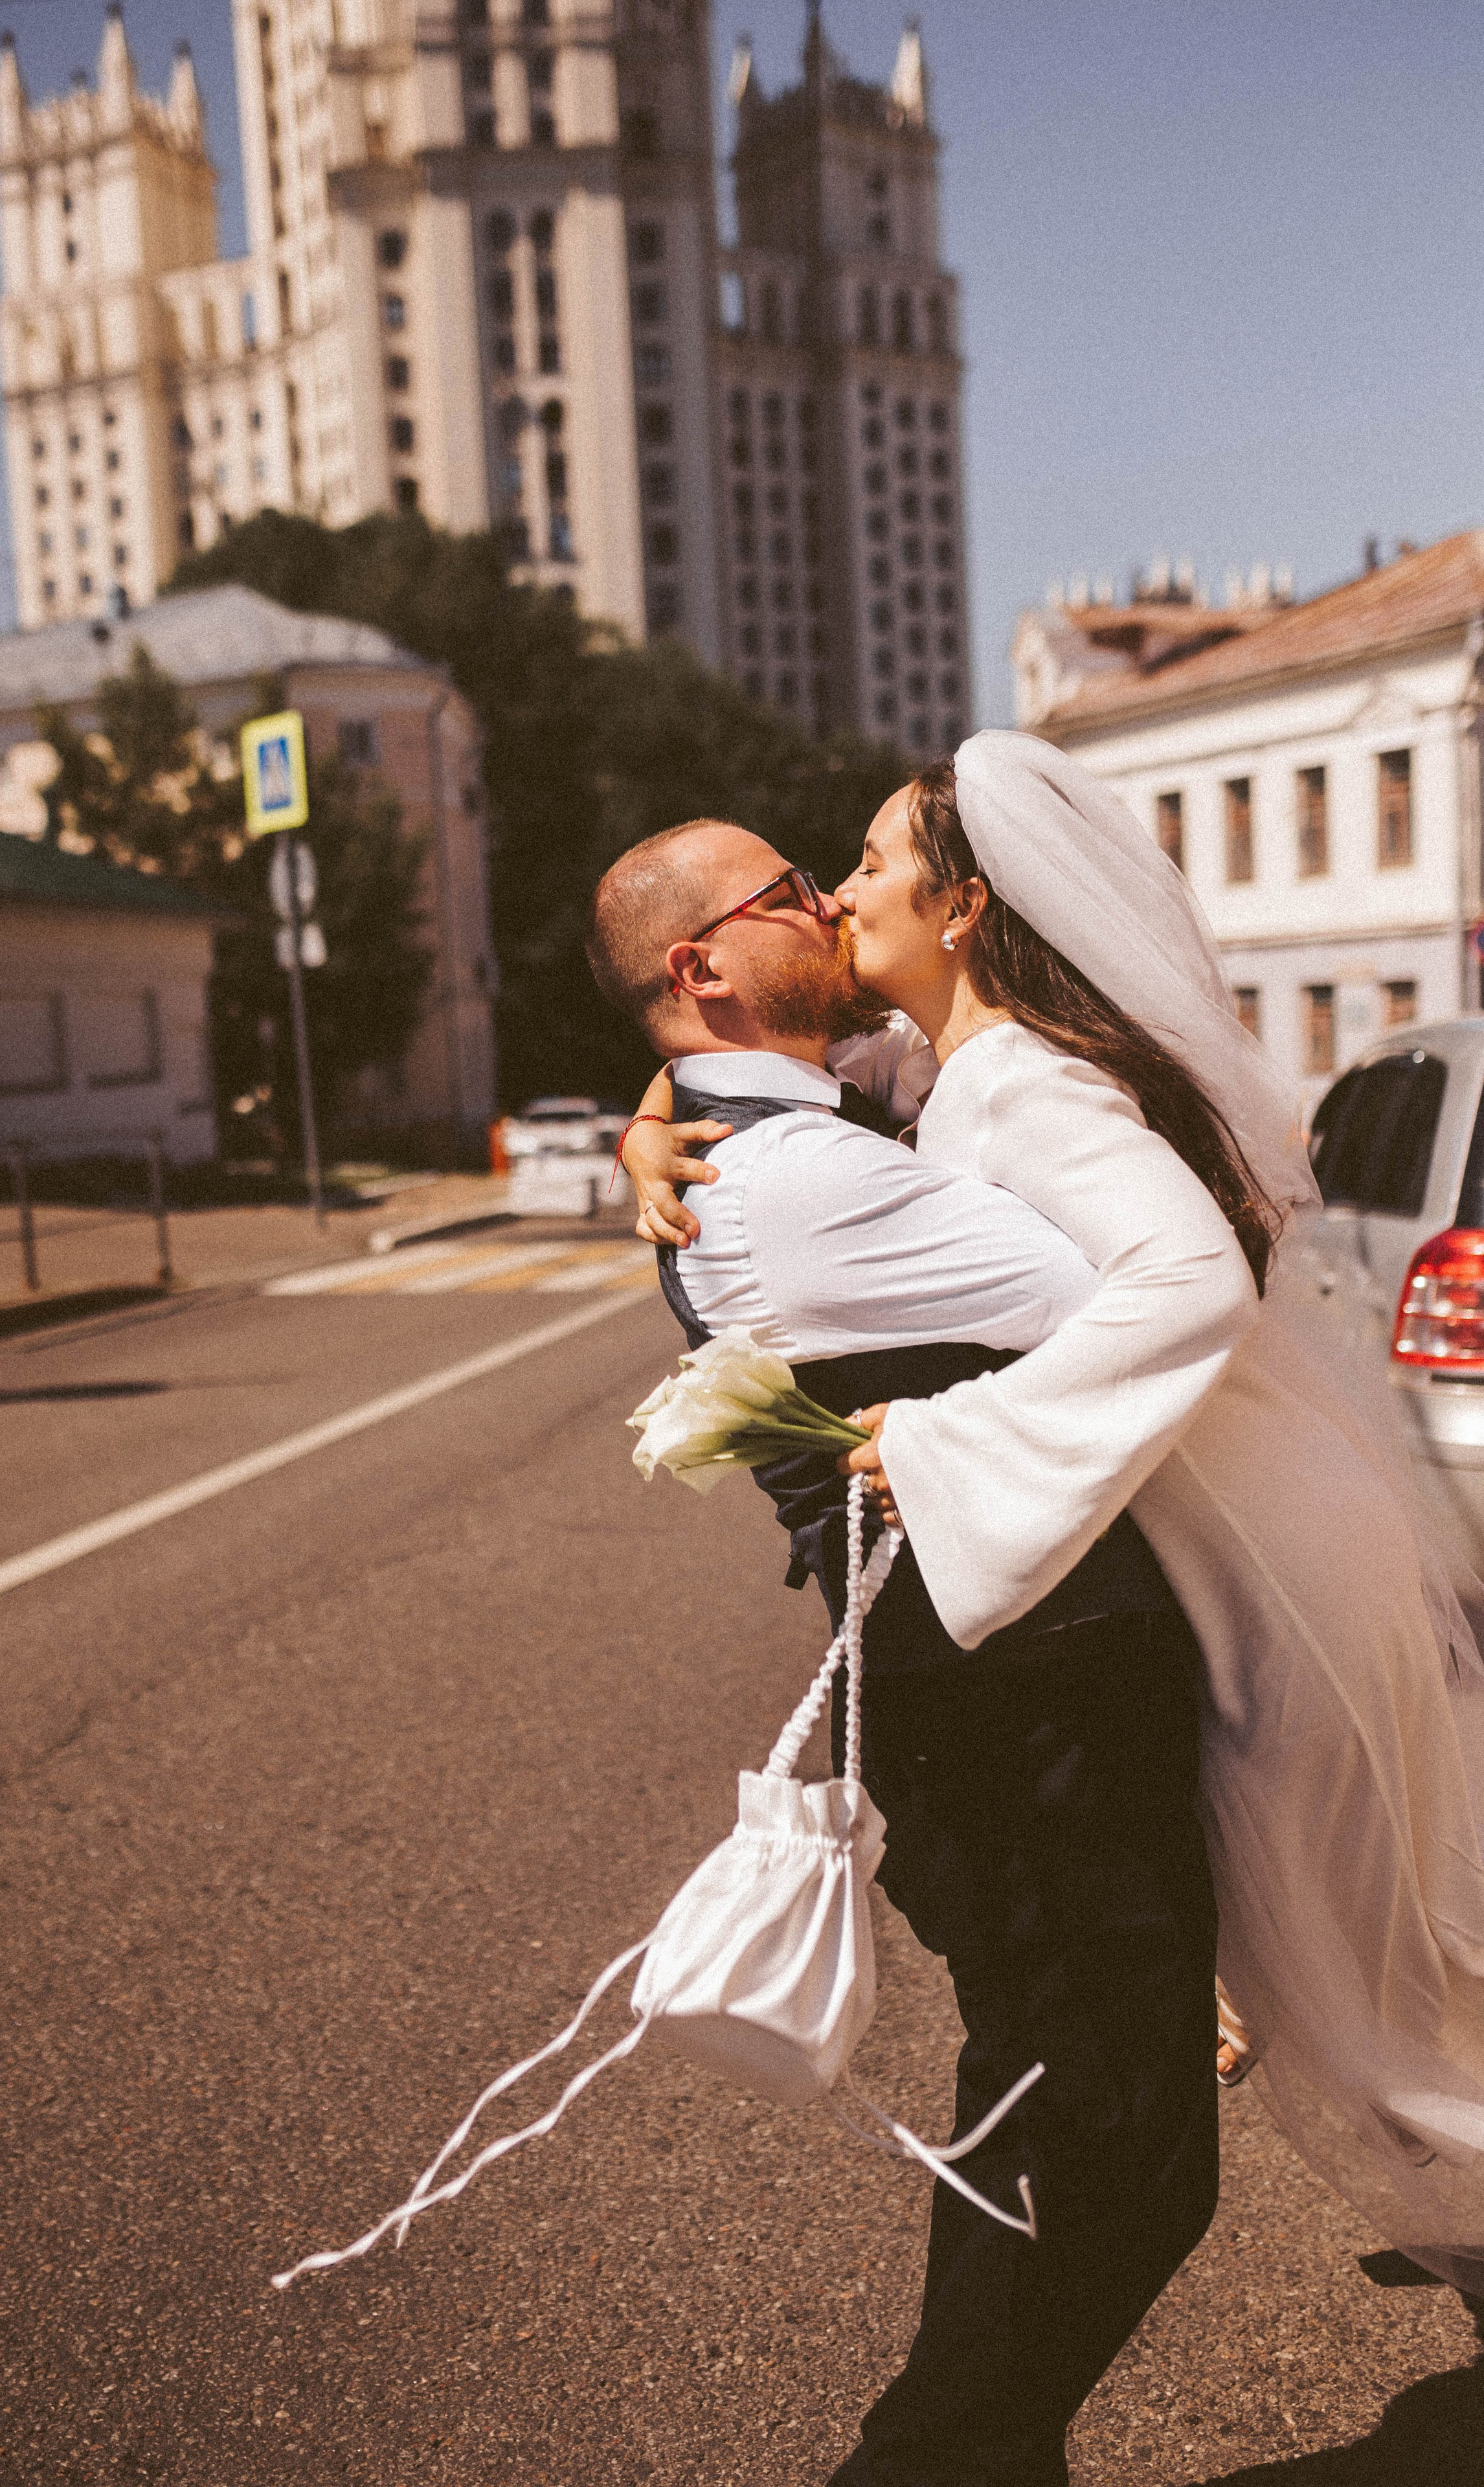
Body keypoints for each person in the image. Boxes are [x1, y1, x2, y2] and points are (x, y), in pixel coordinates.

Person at [624, 736, 1484, 2315]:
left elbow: (1189, 1283)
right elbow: (769, 1074)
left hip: (1266, 1572)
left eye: (868, 865)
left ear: (960, 912)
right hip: (1227, 1551)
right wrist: (660, 1102)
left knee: (1374, 1998)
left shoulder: (1022, 1084)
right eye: (810, 882)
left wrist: (953, 1438)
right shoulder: (961, 1075)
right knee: (1368, 1982)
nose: (838, 894)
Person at [587, 818, 1226, 2487]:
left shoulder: (781, 1130)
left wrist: (645, 1112)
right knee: (1111, 2134)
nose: (825, 894)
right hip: (1018, 1707)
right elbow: (1121, 1282)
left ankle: (978, 2454)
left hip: (996, 1696)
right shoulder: (801, 1181)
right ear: (700, 966)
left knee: (1053, 2083)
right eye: (786, 891)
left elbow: (865, 1073)